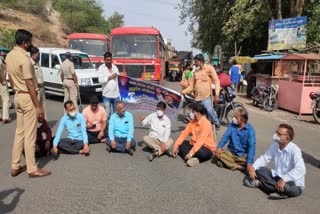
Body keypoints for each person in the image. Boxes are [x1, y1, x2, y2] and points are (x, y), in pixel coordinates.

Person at [6, 29, 50, 177]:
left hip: (18, 96)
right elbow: (30, 84)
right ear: (24, 43)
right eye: (30, 42)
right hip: (27, 97)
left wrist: (17, 91)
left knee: (20, 133)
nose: (31, 44)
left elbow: (11, 79)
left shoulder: (10, 56)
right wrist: (38, 106)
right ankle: (32, 168)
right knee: (30, 135)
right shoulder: (24, 59)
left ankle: (15, 165)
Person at [244, 124, 306, 199]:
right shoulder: (275, 146)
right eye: (276, 132)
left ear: (287, 137)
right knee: (260, 170)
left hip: (293, 183)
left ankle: (260, 184)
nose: (276, 135)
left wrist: (284, 179)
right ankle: (278, 190)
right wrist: (253, 168)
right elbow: (264, 158)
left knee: (287, 187)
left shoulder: (295, 150)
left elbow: (301, 169)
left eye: (279, 134)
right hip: (277, 177)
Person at [181, 54, 221, 130]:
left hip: (206, 97)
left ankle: (216, 122)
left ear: (200, 61)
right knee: (194, 115)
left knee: (209, 109)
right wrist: (183, 92)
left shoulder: (209, 68)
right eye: (195, 62)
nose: (195, 63)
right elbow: (191, 86)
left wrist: (217, 94)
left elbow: (217, 81)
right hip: (197, 98)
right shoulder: (195, 72)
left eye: (196, 61)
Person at [98, 52, 120, 120]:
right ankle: (107, 129)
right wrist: (110, 77)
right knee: (107, 115)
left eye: (110, 59)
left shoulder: (115, 67)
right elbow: (100, 80)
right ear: (104, 60)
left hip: (116, 95)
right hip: (106, 95)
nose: (109, 61)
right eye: (107, 60)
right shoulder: (101, 68)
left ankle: (115, 129)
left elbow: (119, 80)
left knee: (116, 115)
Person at [29, 46, 47, 119]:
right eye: (37, 54)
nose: (39, 56)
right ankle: (36, 124)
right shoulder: (30, 64)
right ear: (33, 55)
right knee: (37, 107)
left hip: (42, 87)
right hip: (36, 89)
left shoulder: (37, 63)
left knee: (44, 106)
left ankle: (44, 122)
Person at [0, 51, 11, 124]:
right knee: (6, 99)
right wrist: (1, 81)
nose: (4, 56)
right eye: (3, 55)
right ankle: (5, 117)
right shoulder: (0, 61)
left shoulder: (2, 62)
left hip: (2, 81)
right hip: (1, 82)